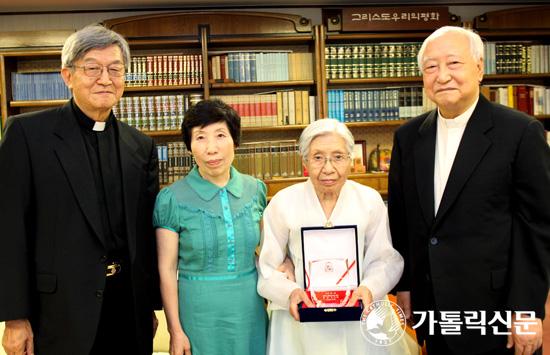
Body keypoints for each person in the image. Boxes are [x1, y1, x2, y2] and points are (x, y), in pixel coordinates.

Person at [388, 26, 550, 355]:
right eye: (431, 67)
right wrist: (404, 286)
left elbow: (537, 227)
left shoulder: (521, 132)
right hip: (432, 305)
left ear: (479, 68)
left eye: (454, 63)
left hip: (495, 308)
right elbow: (402, 218)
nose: (442, 75)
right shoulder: (408, 137)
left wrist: (527, 310)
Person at [0, 24, 161, 355]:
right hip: (59, 312)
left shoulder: (141, 145)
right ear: (68, 75)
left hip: (127, 308)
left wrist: (149, 305)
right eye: (92, 68)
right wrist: (15, 318)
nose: (105, 79)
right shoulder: (27, 134)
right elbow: (8, 228)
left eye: (115, 69)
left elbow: (146, 235)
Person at [257, 118, 412, 355]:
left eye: (338, 157)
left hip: (360, 312)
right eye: (318, 157)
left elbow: (386, 259)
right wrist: (289, 292)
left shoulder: (369, 200)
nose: (328, 168)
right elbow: (268, 267)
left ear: (350, 159)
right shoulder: (282, 202)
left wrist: (369, 288)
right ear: (304, 161)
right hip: (301, 316)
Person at [153, 99, 268, 355]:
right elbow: (167, 269)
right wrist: (175, 331)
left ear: (235, 141)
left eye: (220, 135)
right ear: (190, 147)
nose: (212, 148)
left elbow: (268, 251)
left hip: (250, 312)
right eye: (201, 138)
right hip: (198, 316)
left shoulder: (255, 189)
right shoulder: (172, 198)